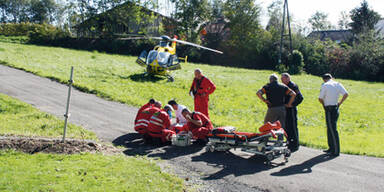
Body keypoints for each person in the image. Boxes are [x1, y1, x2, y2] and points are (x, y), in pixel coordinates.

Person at [318, 73, 348, 156]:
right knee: (330, 128)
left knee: (332, 129)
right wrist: (340, 103)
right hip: (335, 107)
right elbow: (346, 94)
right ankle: (331, 148)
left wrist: (324, 105)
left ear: (324, 79)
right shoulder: (338, 84)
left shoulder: (325, 85)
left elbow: (320, 98)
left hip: (329, 108)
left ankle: (335, 150)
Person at [281, 73, 304, 152]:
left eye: (283, 79)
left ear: (288, 78)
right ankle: (289, 142)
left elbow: (300, 97)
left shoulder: (293, 86)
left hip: (291, 109)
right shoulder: (283, 86)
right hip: (285, 108)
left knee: (293, 127)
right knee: (287, 126)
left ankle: (295, 144)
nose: (281, 80)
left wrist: (292, 104)